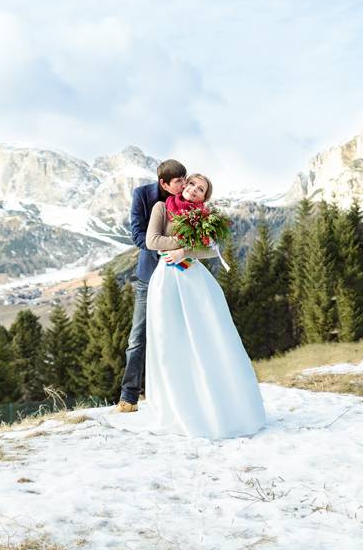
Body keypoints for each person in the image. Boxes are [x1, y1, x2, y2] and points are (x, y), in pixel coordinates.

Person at [106, 173, 267, 439]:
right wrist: (187, 245)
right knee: (170, 338)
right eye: (191, 184)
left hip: (194, 280)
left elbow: (211, 249)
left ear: (205, 196)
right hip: (166, 278)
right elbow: (152, 241)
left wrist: (185, 252)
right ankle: (175, 404)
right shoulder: (162, 207)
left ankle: (213, 404)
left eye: (200, 189)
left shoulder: (205, 216)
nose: (193, 190)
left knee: (205, 337)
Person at [113, 160, 187, 412]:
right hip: (150, 275)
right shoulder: (143, 196)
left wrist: (184, 250)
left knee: (181, 332)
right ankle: (129, 397)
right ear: (163, 183)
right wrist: (171, 246)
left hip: (182, 274)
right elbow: (138, 236)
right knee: (138, 336)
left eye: (184, 179)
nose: (184, 185)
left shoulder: (191, 199)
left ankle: (180, 393)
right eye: (178, 181)